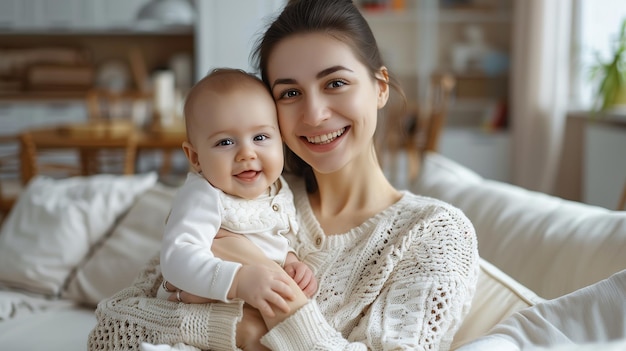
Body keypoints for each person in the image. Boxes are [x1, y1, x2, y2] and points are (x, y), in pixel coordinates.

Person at [87, 0, 479, 350]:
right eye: (290, 93)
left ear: (380, 88)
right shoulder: (243, 195)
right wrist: (233, 317)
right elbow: (109, 332)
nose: (314, 114)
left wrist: (259, 317)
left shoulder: (435, 234)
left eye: (336, 83)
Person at [157, 68, 317, 319]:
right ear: (196, 158)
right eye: (225, 142)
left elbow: (272, 239)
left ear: (281, 141)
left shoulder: (277, 189)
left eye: (260, 137)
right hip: (196, 311)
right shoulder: (204, 195)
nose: (247, 153)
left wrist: (292, 262)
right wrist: (238, 281)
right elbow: (176, 258)